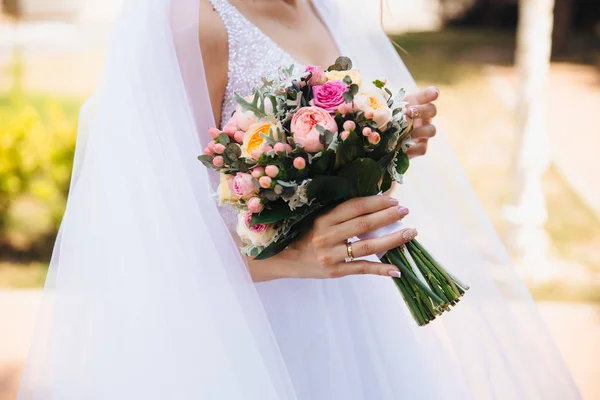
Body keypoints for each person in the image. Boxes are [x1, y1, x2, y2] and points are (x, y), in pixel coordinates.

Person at [18, 0, 581, 399]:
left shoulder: (321, 8)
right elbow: (166, 230)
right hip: (249, 327)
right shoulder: (200, 22)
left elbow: (327, 151)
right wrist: (295, 257)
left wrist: (388, 138)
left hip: (351, 307)